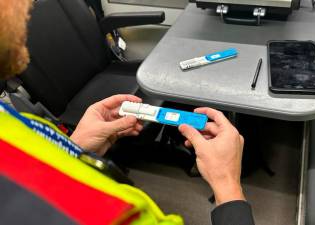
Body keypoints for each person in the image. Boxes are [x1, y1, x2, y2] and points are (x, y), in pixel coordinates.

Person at [0, 0, 255, 224]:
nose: (25, 6)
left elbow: (47, 176)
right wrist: (228, 186)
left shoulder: (12, 123)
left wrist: (75, 148)